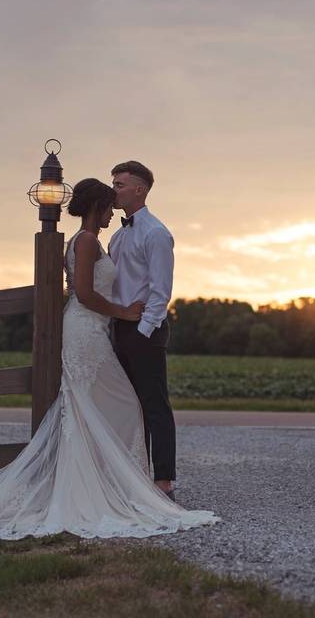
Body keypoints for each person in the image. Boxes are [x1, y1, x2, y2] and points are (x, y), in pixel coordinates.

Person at [0, 178, 220, 540]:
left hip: (96, 331)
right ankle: (117, 486)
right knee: (125, 405)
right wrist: (123, 313)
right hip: (86, 331)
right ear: (95, 208)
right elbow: (83, 294)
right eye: (107, 205)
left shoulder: (99, 241)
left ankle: (108, 482)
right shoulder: (85, 241)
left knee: (93, 408)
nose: (111, 211)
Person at [108, 161, 177, 499]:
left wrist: (143, 332)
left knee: (154, 406)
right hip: (116, 329)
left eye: (120, 184)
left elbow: (160, 290)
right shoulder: (118, 236)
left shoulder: (156, 233)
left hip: (144, 332)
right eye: (114, 183)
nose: (114, 190)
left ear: (140, 188)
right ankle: (132, 478)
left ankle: (163, 483)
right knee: (125, 406)